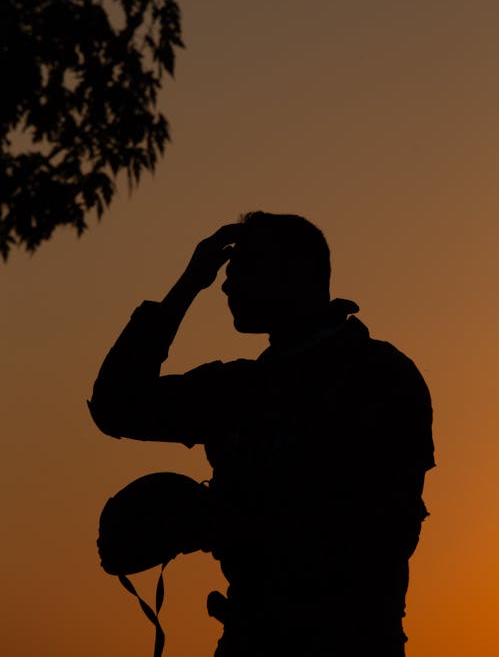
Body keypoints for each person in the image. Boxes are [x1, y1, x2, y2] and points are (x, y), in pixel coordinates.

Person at [88, 211, 435, 657]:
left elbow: (383, 530)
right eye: (223, 274)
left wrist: (222, 520)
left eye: (244, 270)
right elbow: (118, 406)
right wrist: (189, 282)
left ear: (296, 274)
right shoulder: (240, 388)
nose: (226, 286)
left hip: (352, 641)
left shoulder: (380, 376)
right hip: (250, 641)